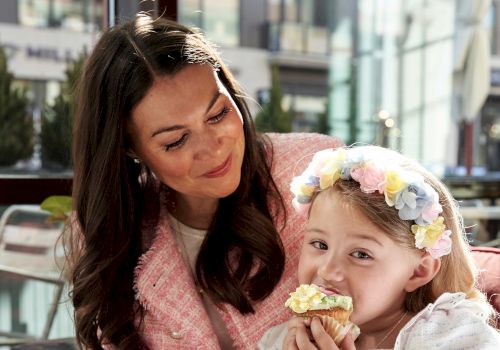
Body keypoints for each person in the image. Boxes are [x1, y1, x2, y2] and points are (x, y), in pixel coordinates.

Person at [68, 13, 343, 350]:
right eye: (175, 141)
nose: (213, 148)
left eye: (217, 114)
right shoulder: (115, 234)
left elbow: (411, 309)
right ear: (128, 148)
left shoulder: (319, 171)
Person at [258, 146, 500, 349]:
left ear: (418, 271)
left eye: (361, 254)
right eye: (320, 244)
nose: (328, 270)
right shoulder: (279, 341)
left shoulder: (457, 339)